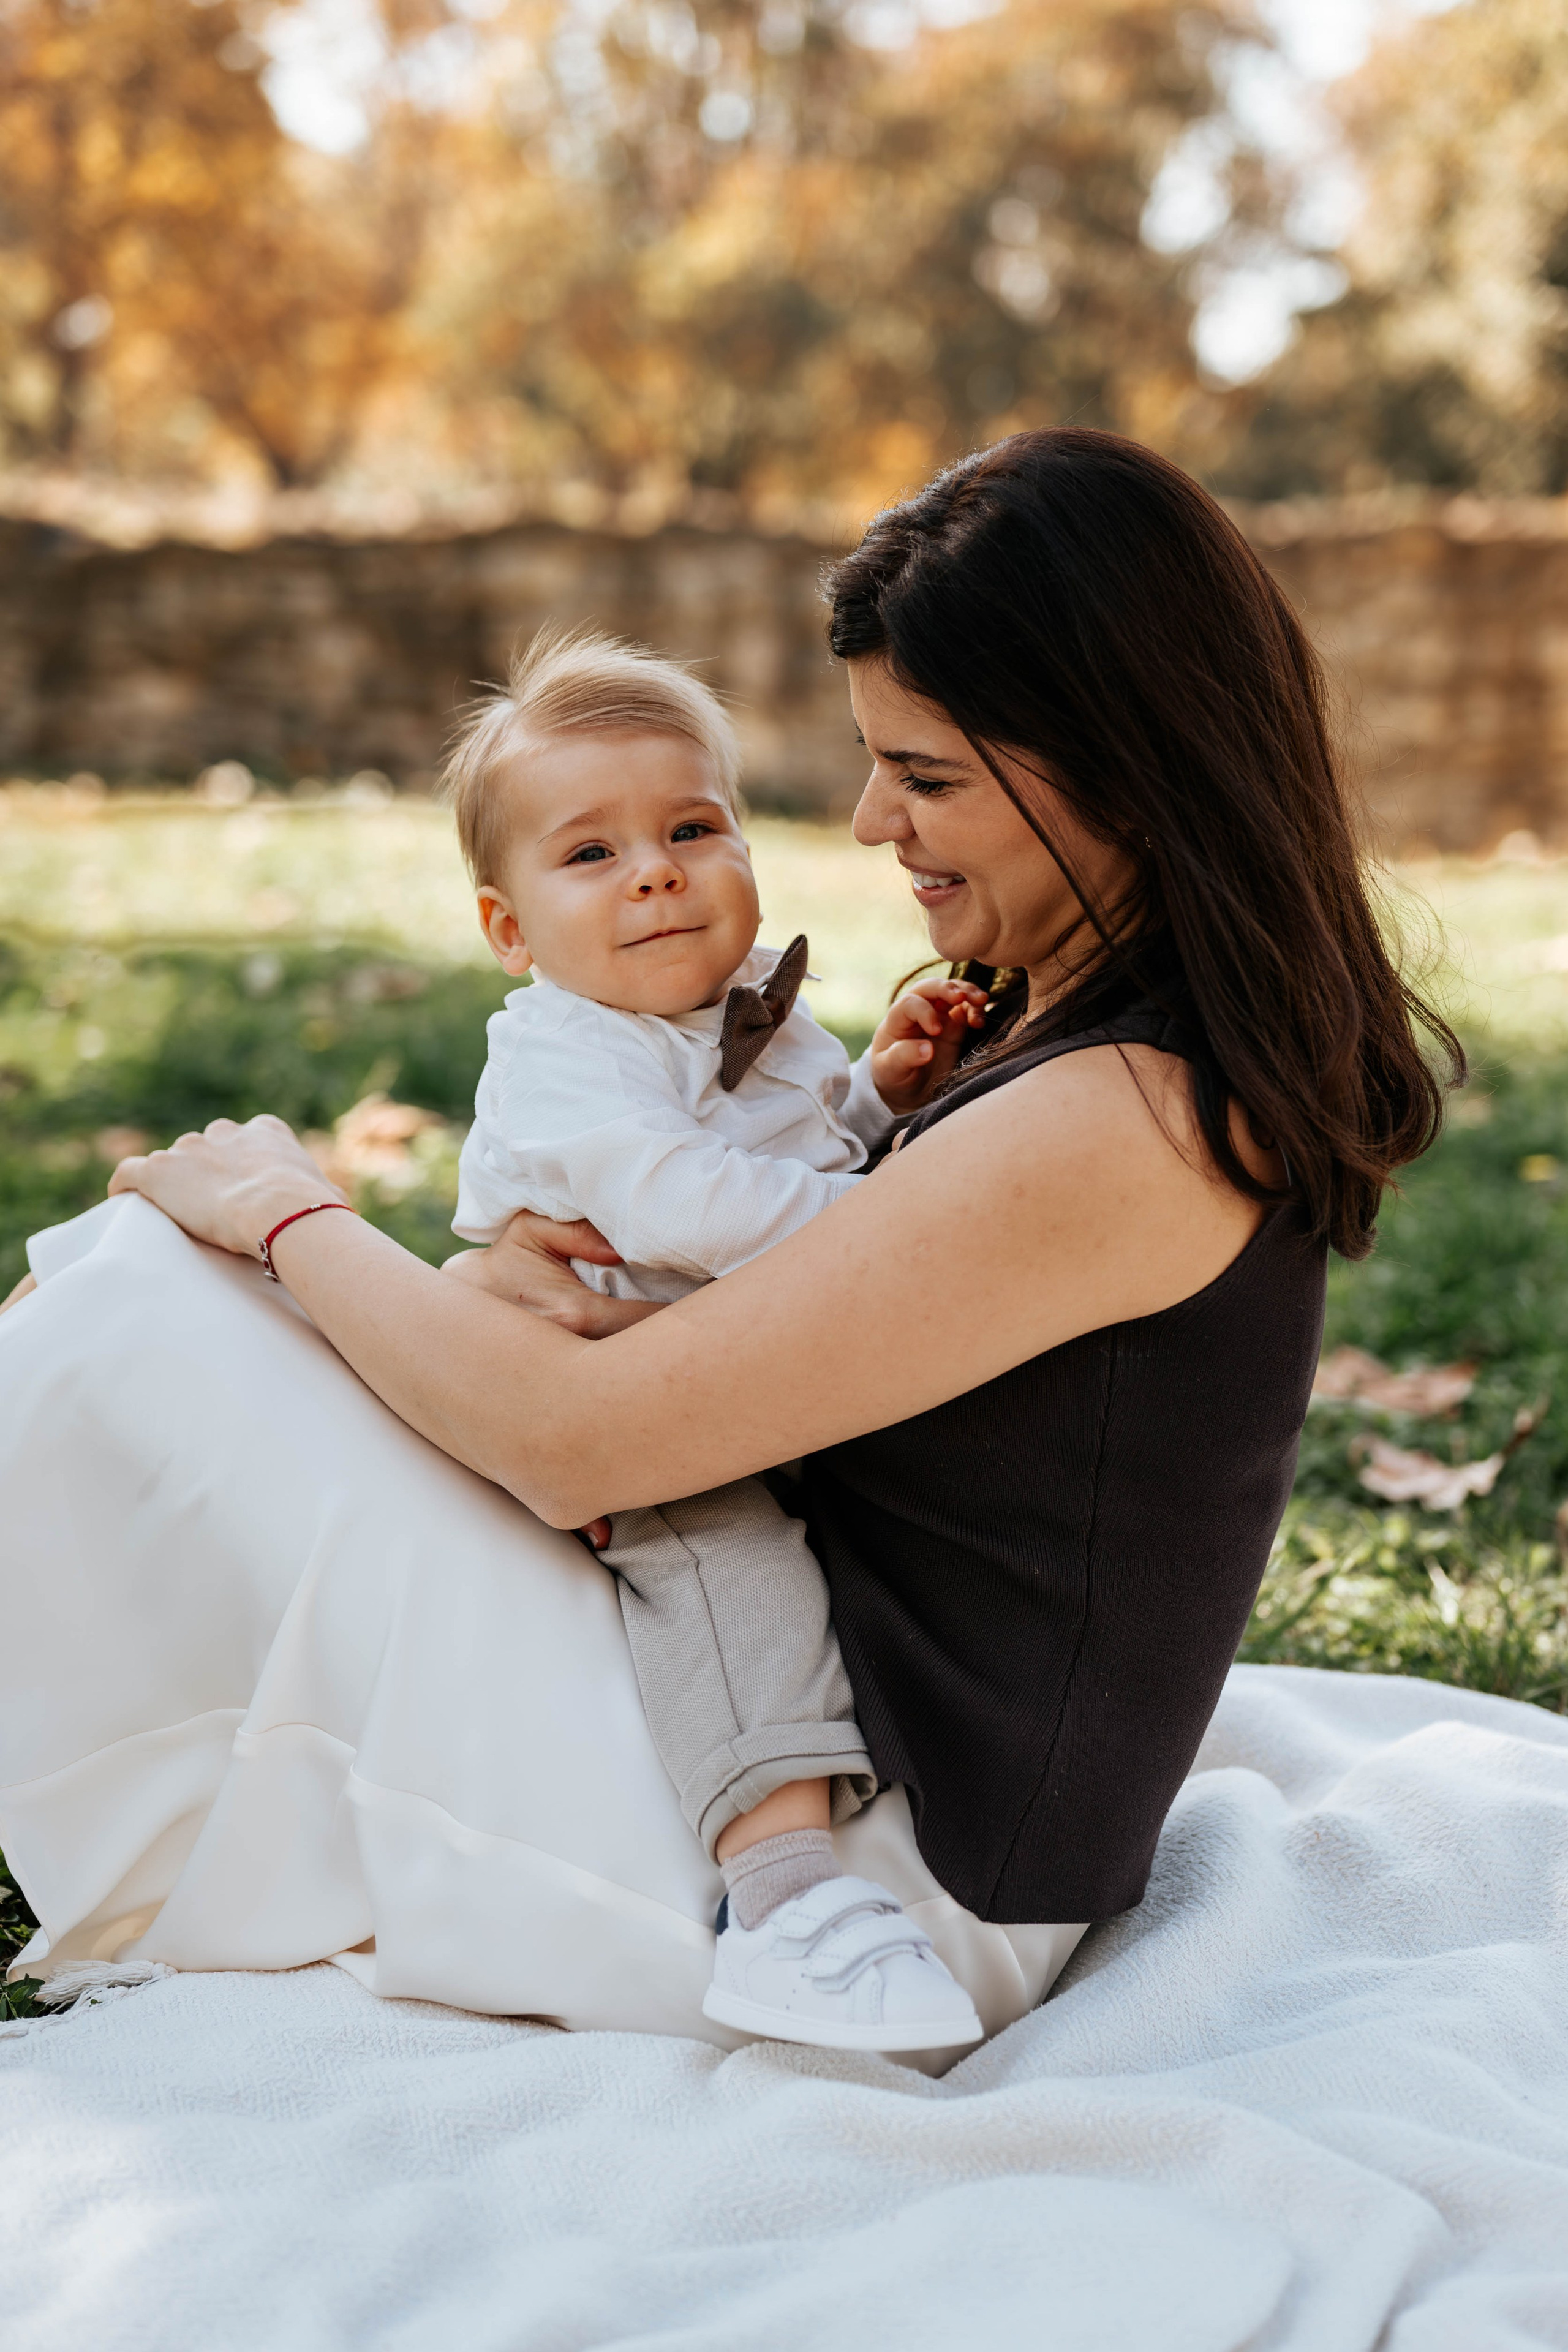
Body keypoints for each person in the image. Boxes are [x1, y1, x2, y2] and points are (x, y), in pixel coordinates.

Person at [0, 428, 1457, 2071]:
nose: (870, 819)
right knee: (171, 1304)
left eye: (926, 776)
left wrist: (289, 1215)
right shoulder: (1067, 1041)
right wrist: (513, 1302)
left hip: (854, 1870)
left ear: (1124, 764)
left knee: (136, 1307)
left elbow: (585, 1447)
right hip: (776, 1703)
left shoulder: (1124, 1118)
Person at [440, 620, 989, 2051]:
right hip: (620, 1400)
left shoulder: (753, 1018)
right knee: (728, 1558)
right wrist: (900, 1224)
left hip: (755, 1370)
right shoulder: (564, 1056)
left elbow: (791, 1155)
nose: (655, 872)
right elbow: (685, 1205)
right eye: (590, 853)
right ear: (511, 932)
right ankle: (786, 1901)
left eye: (691, 828)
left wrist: (876, 1098)